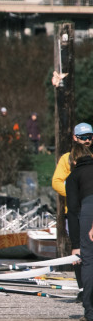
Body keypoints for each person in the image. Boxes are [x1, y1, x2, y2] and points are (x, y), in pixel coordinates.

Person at [51, 122, 93, 301]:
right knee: (78, 252)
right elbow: (56, 182)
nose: (87, 140)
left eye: (90, 136)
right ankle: (83, 289)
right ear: (75, 138)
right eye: (83, 137)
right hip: (75, 211)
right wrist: (73, 190)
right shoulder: (67, 158)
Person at [63, 143, 93, 321]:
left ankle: (90, 312)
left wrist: (75, 245)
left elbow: (72, 212)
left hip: (89, 209)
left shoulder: (73, 176)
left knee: (88, 261)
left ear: (74, 161)